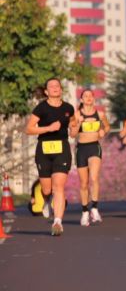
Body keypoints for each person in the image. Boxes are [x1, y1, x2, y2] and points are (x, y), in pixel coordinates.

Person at [25, 77, 78, 236]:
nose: (55, 88)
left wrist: (75, 129)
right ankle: (47, 200)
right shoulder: (41, 108)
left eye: (57, 86)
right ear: (47, 92)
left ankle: (57, 222)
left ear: (61, 90)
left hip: (62, 148)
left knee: (58, 187)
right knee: (47, 189)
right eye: (51, 86)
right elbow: (29, 129)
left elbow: (73, 128)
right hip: (44, 149)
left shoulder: (68, 108)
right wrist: (48, 128)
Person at [70, 89, 111, 226]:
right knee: (83, 183)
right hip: (81, 149)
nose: (88, 98)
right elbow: (72, 134)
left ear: (94, 99)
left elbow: (107, 127)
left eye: (90, 96)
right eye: (85, 96)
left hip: (94, 147)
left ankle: (94, 208)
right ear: (81, 100)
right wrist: (79, 123)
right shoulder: (76, 115)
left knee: (94, 178)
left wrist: (103, 131)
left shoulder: (100, 114)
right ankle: (84, 212)